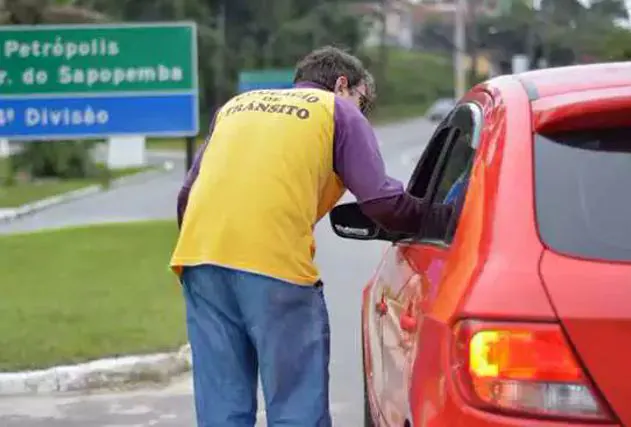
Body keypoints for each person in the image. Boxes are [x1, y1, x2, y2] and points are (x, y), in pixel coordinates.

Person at [169, 46, 453, 427]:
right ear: (342, 85)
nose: (361, 112)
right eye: (361, 101)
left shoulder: (237, 107)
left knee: (222, 409)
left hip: (199, 260)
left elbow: (188, 195)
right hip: (274, 267)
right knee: (295, 406)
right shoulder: (337, 111)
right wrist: (446, 216)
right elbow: (383, 202)